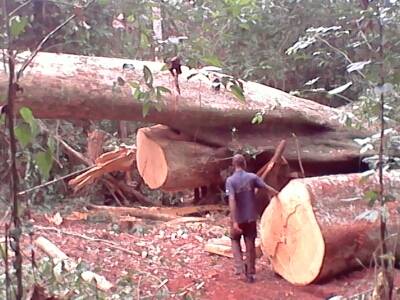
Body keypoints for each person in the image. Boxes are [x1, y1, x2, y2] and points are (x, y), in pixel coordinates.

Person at [225, 154, 279, 283]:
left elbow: (232, 200)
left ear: (233, 165)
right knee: (250, 244)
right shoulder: (252, 177)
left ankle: (239, 267)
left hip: (238, 218)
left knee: (234, 239)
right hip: (250, 217)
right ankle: (250, 274)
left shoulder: (230, 181)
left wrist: (235, 221)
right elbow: (266, 188)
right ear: (244, 164)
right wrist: (278, 194)